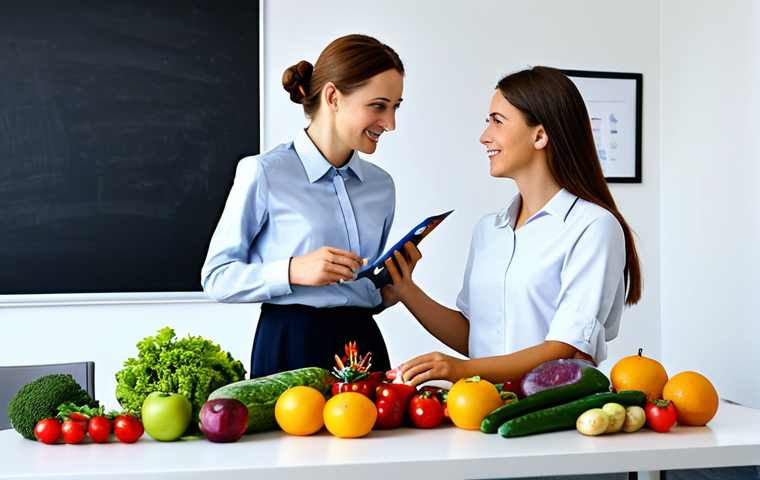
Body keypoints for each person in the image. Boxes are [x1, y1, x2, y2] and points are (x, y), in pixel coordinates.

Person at [381, 66, 642, 387]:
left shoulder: (594, 227)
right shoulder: (489, 230)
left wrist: (461, 370)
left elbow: (564, 347)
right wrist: (406, 289)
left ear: (540, 135)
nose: (484, 136)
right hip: (482, 408)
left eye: (497, 121)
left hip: (550, 416)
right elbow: (476, 336)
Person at [201, 34, 404, 378]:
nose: (390, 123)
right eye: (379, 105)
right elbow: (217, 277)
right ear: (332, 97)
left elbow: (364, 287)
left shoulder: (382, 186)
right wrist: (292, 270)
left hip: (364, 344)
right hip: (289, 342)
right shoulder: (264, 172)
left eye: (395, 107)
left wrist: (387, 289)